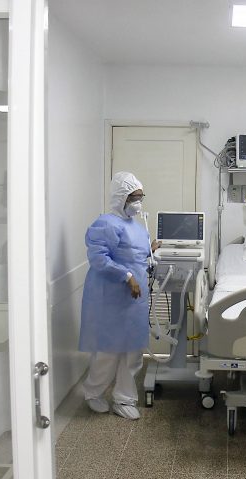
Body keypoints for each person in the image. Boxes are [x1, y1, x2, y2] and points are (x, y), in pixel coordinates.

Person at [78, 171, 157, 420]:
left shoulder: (137, 227)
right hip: (111, 297)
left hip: (134, 299)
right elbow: (99, 259)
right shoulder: (106, 224)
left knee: (133, 350)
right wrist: (127, 277)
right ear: (120, 197)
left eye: (141, 197)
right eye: (134, 197)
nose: (138, 203)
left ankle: (124, 399)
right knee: (108, 350)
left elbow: (135, 256)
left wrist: (151, 250)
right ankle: (93, 392)